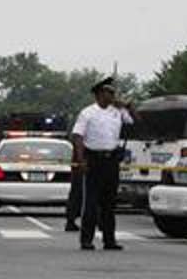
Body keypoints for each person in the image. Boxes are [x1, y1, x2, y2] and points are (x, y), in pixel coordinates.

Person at [72, 77, 138, 251]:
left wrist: (128, 106)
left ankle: (110, 240)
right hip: (93, 159)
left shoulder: (117, 112)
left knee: (109, 203)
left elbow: (135, 122)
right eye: (110, 92)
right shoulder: (87, 113)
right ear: (100, 93)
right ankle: (86, 240)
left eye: (113, 93)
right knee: (91, 203)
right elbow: (77, 137)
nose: (113, 95)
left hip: (111, 160)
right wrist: (81, 160)